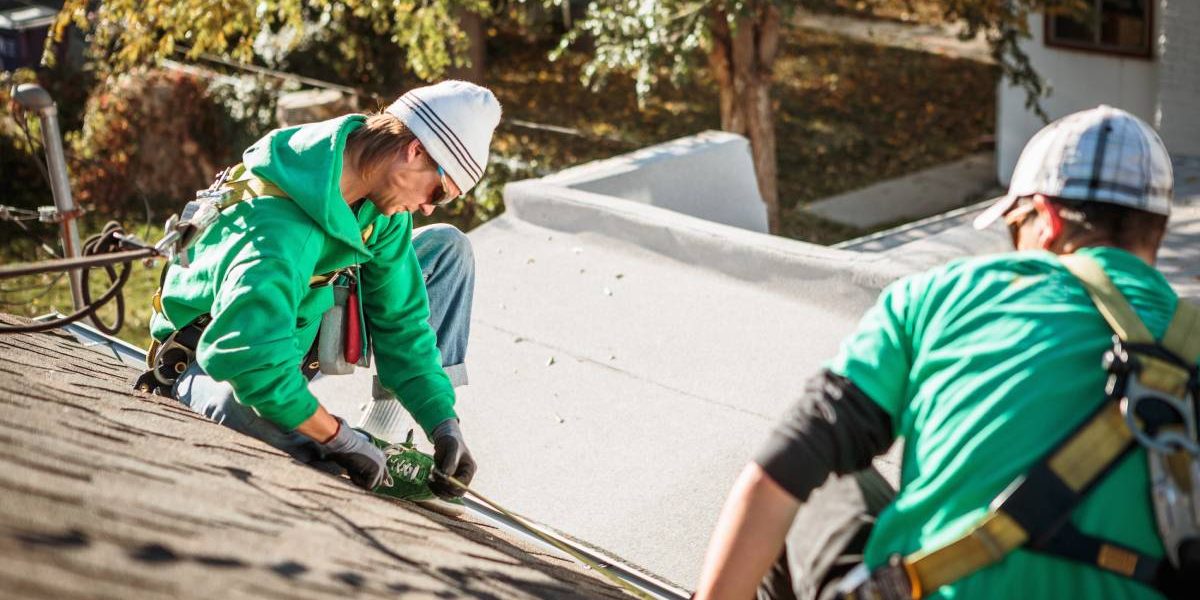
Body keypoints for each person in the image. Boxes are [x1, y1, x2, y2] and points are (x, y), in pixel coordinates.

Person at [694, 105, 1194, 600]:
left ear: (1046, 217)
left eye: (1014, 228)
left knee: (817, 480)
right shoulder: (1189, 337)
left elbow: (781, 469)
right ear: (1155, 231)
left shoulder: (940, 296)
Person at [145, 80, 501, 504]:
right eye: (438, 193)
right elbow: (248, 361)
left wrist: (443, 421)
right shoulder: (278, 226)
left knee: (446, 248)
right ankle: (339, 445)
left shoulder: (377, 201)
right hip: (212, 358)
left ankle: (377, 435)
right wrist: (338, 439)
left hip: (295, 334)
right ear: (416, 151)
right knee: (255, 417)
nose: (427, 207)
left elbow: (401, 322)